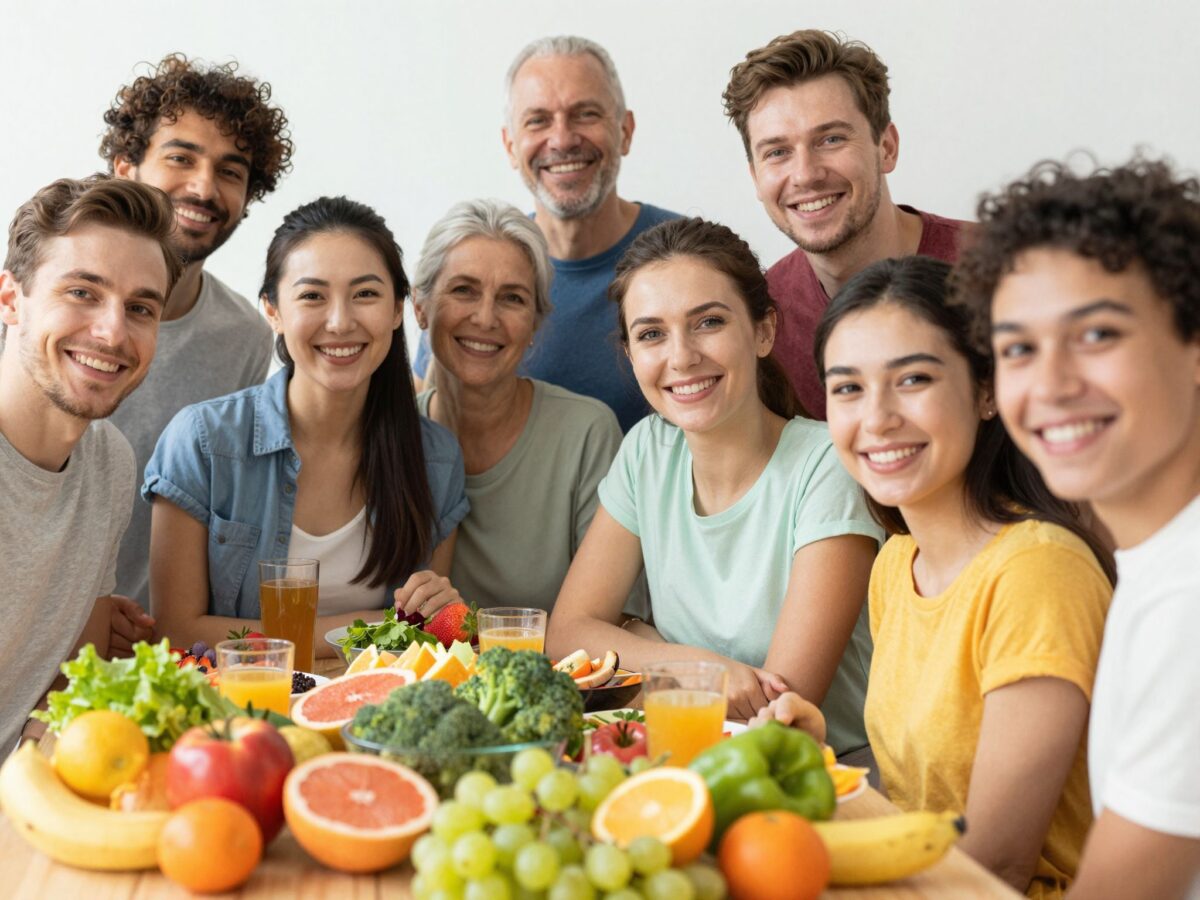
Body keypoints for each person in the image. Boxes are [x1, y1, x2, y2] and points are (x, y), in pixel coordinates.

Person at [761, 256, 1113, 896]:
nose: (877, 418)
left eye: (913, 379)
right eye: (848, 388)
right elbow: (921, 808)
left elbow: (996, 862)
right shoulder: (897, 562)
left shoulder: (1038, 571)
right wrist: (813, 757)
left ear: (986, 391)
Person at [954, 157, 1200, 900]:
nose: (1052, 386)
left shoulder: (1187, 598)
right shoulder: (1154, 564)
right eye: (1020, 348)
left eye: (1096, 334)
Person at [546, 217, 880, 745]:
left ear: (763, 331)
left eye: (708, 322)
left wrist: (635, 640)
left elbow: (779, 708)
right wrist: (701, 667)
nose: (681, 357)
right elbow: (567, 635)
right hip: (687, 757)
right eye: (652, 334)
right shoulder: (647, 450)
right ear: (631, 355)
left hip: (821, 779)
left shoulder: (827, 465)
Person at [143, 196, 468, 656]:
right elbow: (176, 630)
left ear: (398, 309)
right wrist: (378, 624)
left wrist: (440, 614)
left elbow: (424, 632)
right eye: (312, 295)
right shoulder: (202, 442)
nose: (340, 321)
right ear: (272, 311)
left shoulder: (436, 459)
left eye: (366, 294)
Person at [413, 35, 680, 432]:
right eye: (538, 120)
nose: (562, 139)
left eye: (585, 114)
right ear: (509, 144)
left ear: (625, 130)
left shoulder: (686, 257)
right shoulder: (475, 266)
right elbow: (423, 417)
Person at [102, 53, 293, 608]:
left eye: (230, 171)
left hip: (151, 645)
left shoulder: (246, 338)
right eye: (181, 158)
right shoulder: (40, 310)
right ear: (126, 169)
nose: (204, 188)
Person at [0, 175, 180, 751]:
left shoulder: (110, 464)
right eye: (82, 292)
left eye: (140, 308)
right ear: (11, 300)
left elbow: (70, 678)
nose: (111, 332)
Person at [412, 198, 645, 614]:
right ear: (420, 308)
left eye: (512, 298)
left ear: (536, 323)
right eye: (463, 290)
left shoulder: (586, 433)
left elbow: (618, 619)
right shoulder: (392, 435)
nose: (485, 318)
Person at [722, 29, 968, 419]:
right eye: (778, 152)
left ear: (886, 148)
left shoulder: (1001, 269)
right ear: (755, 177)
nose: (805, 174)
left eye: (831, 139)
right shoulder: (765, 321)